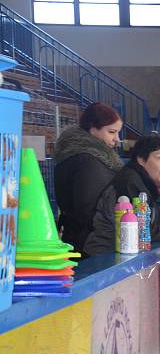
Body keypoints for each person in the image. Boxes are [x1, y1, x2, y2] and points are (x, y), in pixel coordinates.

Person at [83, 135, 160, 255]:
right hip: (106, 257)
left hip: (124, 254)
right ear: (141, 159)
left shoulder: (153, 187)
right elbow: (141, 230)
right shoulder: (130, 183)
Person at [54, 102, 124, 255]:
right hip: (89, 245)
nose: (117, 139)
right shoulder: (89, 161)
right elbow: (89, 212)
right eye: (112, 132)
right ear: (93, 128)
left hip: (78, 238)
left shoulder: (74, 155)